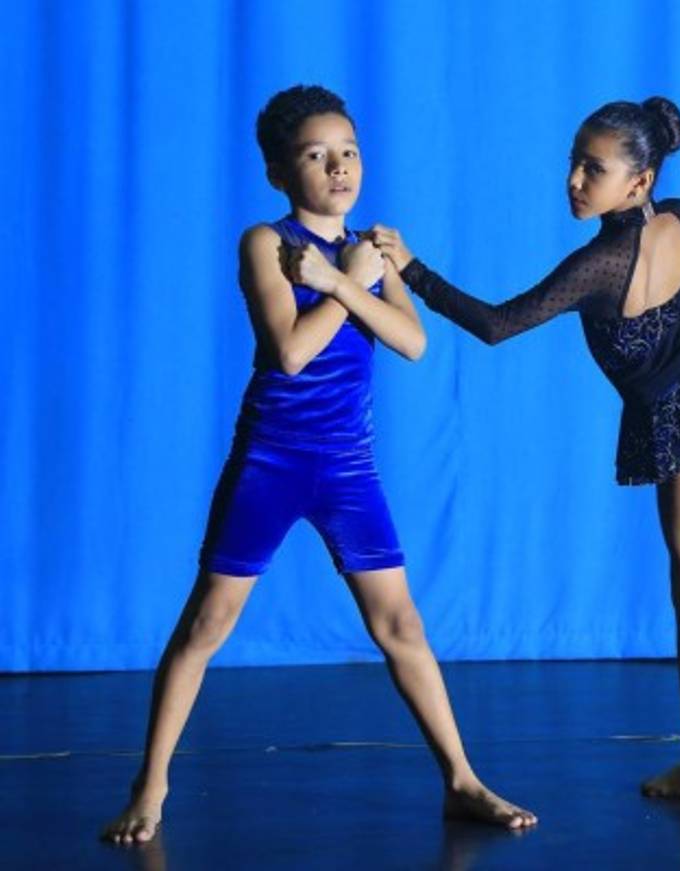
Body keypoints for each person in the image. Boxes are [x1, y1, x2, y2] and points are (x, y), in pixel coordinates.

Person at [102, 85, 537, 845]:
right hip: (271, 460)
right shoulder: (265, 243)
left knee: (400, 622)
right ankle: (152, 784)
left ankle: (463, 779)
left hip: (347, 467)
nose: (338, 167)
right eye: (316, 154)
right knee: (207, 621)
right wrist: (349, 281)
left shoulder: (366, 247)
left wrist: (348, 276)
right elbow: (292, 353)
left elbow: (413, 341)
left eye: (349, 151)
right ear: (278, 170)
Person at [370, 16, 680, 802]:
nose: (573, 182)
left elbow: (493, 325)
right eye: (572, 165)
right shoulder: (673, 218)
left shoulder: (598, 262)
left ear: (635, 182)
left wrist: (410, 266)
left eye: (592, 169)